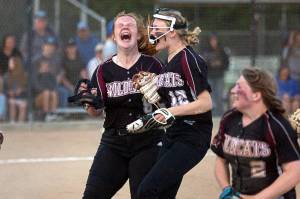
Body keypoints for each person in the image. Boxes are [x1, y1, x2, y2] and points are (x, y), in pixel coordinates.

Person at [78, 11, 163, 199]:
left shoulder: (154, 66)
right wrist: (88, 103)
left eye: (130, 25)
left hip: (147, 142)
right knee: (92, 195)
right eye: (120, 26)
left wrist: (158, 97)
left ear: (139, 34)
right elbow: (96, 111)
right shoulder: (102, 70)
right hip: (113, 142)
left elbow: (168, 106)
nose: (125, 27)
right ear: (114, 36)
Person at [136, 8, 213, 198]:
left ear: (171, 31)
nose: (152, 32)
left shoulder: (189, 59)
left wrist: (170, 111)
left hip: (193, 135)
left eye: (156, 28)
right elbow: (171, 101)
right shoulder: (167, 62)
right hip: (173, 133)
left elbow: (205, 103)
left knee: (147, 191)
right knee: (163, 194)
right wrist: (153, 91)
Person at [211, 67, 300, 199]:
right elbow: (221, 159)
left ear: (256, 95)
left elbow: (294, 172)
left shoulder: (276, 125)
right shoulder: (229, 119)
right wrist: (227, 190)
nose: (233, 90)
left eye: (239, 87)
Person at [202, 33, 230, 116]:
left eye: (215, 40)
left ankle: (220, 113)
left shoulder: (222, 50)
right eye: (212, 40)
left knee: (219, 94)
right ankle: (213, 113)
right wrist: (211, 64)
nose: (213, 42)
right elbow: (203, 62)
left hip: (220, 75)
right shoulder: (206, 51)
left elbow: (226, 62)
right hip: (210, 76)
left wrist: (220, 65)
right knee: (211, 95)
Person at [61, 37, 87, 105]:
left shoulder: (80, 60)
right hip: (67, 86)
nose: (71, 49)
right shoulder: (63, 61)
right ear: (66, 49)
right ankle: (66, 114)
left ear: (76, 48)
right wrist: (71, 87)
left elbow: (84, 75)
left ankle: (82, 113)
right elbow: (63, 78)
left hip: (78, 84)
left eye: (73, 47)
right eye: (69, 47)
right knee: (68, 92)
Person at [3, 56, 28, 122]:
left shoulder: (23, 76)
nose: (9, 65)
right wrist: (9, 92)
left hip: (21, 97)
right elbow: (4, 90)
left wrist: (21, 90)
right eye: (9, 63)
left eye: (11, 63)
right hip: (11, 98)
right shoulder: (6, 76)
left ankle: (20, 123)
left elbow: (27, 88)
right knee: (12, 102)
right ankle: (12, 121)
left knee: (23, 105)